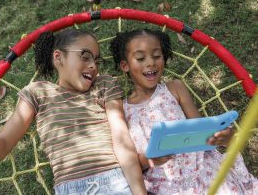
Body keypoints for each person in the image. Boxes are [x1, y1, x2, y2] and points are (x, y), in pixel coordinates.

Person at [0, 29, 147, 195]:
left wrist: (139, 192)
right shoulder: (38, 93)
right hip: (69, 189)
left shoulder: (104, 85)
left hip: (113, 180)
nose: (93, 66)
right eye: (85, 56)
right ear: (58, 57)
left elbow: (122, 140)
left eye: (96, 61)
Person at [109, 28, 258, 194]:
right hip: (166, 182)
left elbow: (201, 132)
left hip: (201, 168)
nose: (150, 62)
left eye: (157, 56)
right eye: (140, 58)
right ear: (125, 65)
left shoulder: (174, 88)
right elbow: (129, 162)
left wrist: (222, 138)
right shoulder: (121, 109)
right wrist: (149, 159)